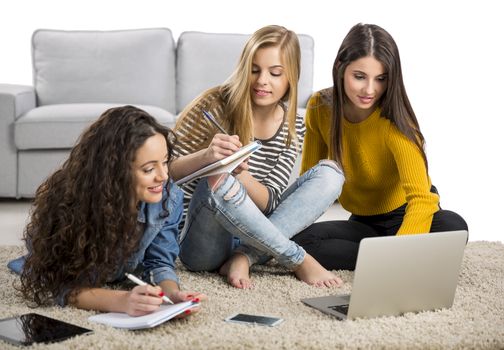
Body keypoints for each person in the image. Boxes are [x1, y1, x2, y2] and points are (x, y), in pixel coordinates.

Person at [170, 25, 345, 289]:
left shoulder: (293, 126)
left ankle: (244, 258)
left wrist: (243, 175)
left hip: (252, 236)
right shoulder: (214, 104)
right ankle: (297, 259)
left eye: (275, 73)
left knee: (331, 174)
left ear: (291, 78)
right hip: (201, 244)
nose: (262, 80)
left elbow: (271, 202)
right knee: (219, 178)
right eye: (254, 70)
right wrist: (207, 157)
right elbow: (164, 170)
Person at [292, 23, 468, 270]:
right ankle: (387, 258)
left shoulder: (395, 123)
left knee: (453, 226)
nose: (369, 90)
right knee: (300, 242)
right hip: (364, 224)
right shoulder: (320, 107)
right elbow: (311, 182)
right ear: (340, 68)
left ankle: (384, 258)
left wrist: (399, 249)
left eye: (381, 79)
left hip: (408, 213)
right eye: (360, 76)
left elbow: (422, 199)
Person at [8, 106, 205, 316]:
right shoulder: (74, 207)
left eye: (165, 162)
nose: (163, 175)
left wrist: (172, 295)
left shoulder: (169, 198)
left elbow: (160, 261)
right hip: (61, 259)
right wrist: (122, 300)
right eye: (148, 169)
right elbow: (60, 285)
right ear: (114, 171)